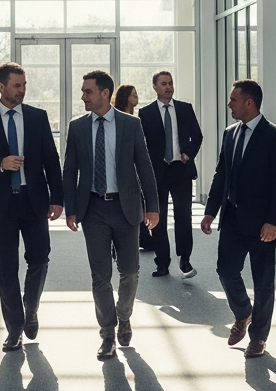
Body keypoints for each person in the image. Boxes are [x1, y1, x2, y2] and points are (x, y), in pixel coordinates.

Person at [0, 62, 63, 352]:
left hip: (34, 201)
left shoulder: (37, 117)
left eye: (24, 85)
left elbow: (51, 160)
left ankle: (29, 308)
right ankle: (14, 329)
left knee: (40, 259)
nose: (22, 90)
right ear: (2, 87)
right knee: (6, 268)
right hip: (2, 204)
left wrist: (57, 198)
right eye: (17, 85)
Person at [63, 70, 159, 361]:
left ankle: (124, 316)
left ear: (105, 93)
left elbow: (144, 166)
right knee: (99, 276)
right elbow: (70, 171)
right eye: (83, 91)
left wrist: (153, 206)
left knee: (130, 271)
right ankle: (107, 333)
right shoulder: (77, 127)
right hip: (92, 209)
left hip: (125, 208)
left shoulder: (131, 124)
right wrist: (71, 209)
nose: (83, 96)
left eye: (88, 91)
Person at [200, 79, 276, 359]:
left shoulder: (275, 136)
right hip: (232, 218)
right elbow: (221, 175)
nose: (230, 105)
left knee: (263, 282)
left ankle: (259, 337)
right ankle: (243, 313)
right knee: (225, 269)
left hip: (263, 223)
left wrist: (273, 221)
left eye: (233, 100)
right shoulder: (229, 133)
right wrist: (210, 210)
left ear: (249, 102)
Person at [138, 71, 202, 278]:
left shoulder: (185, 109)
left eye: (170, 83)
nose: (168, 87)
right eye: (163, 84)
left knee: (183, 216)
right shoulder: (145, 113)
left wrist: (188, 153)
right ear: (155, 87)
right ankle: (162, 263)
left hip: (180, 169)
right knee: (158, 218)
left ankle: (185, 260)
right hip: (157, 173)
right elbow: (141, 145)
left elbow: (198, 136)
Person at [112, 85, 152, 254]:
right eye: (134, 95)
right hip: (123, 171)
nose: (137, 97)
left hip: (137, 167)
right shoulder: (118, 119)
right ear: (125, 97)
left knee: (138, 203)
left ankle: (143, 237)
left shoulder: (137, 118)